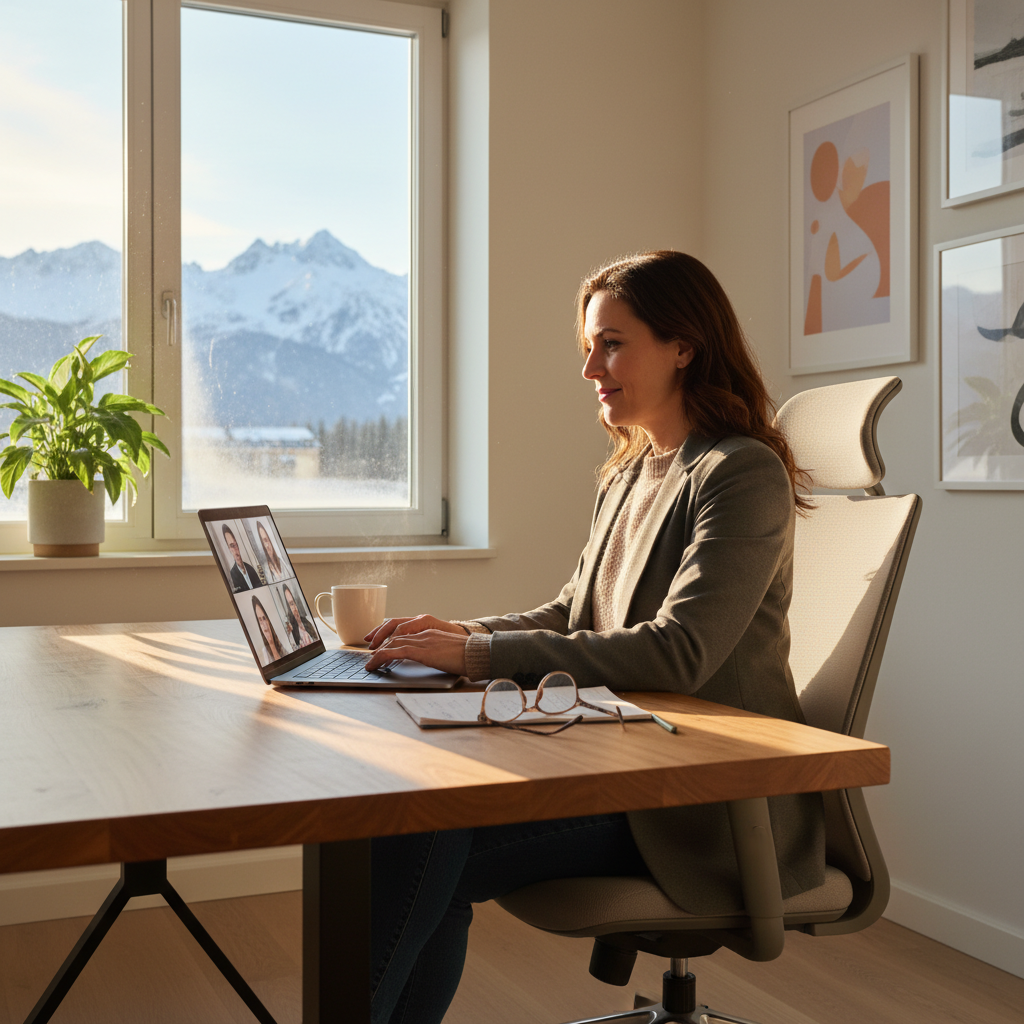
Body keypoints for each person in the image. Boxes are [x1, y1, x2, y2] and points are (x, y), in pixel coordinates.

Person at [362, 251, 824, 1024]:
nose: (590, 370)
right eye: (589, 347)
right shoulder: (629, 473)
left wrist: (473, 655)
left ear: (684, 346)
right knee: (418, 821)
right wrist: (458, 633)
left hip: (703, 799)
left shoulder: (739, 474)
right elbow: (571, 612)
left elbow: (678, 652)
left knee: (420, 836)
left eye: (612, 344)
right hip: (626, 765)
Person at [222, 525, 262, 593]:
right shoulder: (232, 574)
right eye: (232, 546)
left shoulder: (250, 568)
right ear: (229, 549)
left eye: (236, 544)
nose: (235, 549)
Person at [251, 594, 286, 664]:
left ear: (269, 620)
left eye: (264, 618)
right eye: (260, 620)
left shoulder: (280, 644)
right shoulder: (264, 653)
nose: (264, 624)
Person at [282, 583, 316, 649]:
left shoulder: (308, 622)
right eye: (290, 605)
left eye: (293, 603)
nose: (294, 608)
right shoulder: (292, 632)